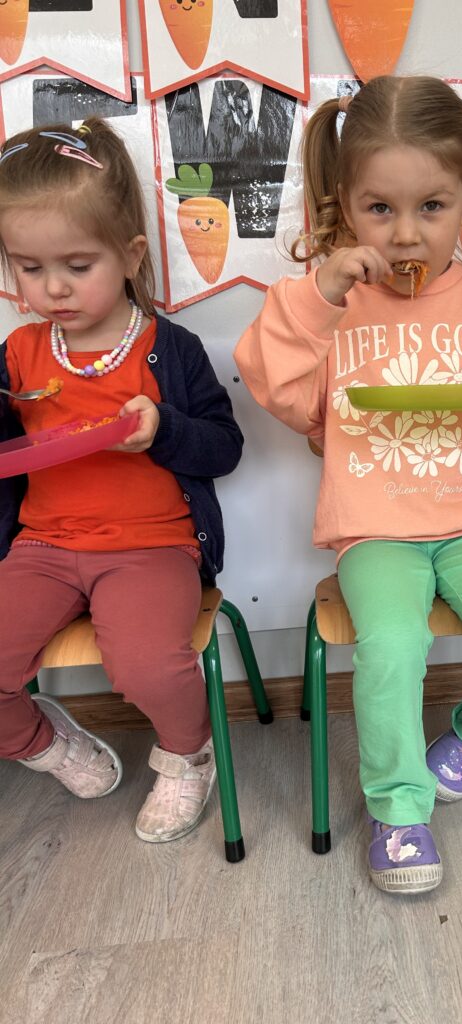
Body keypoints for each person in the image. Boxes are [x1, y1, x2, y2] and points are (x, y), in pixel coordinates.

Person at [235, 76, 462, 894]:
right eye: (380, 208)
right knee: (390, 647)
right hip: (374, 528)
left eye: (432, 206)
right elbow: (276, 389)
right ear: (345, 205)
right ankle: (397, 808)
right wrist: (318, 296)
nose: (408, 233)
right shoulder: (330, 305)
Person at [0, 119, 243, 844]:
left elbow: (225, 447)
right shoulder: (17, 352)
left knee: (148, 667)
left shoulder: (170, 348)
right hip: (42, 546)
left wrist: (163, 429)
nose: (53, 287)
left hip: (151, 547)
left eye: (78, 265)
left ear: (131, 254)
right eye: (28, 267)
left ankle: (187, 755)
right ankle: (44, 743)